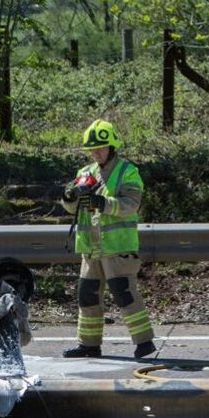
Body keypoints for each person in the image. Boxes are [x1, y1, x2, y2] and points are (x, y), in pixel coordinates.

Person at [59, 119, 156, 360]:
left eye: (100, 148)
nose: (96, 153)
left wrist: (103, 203)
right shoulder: (84, 173)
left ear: (112, 147)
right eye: (92, 149)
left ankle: (144, 343)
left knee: (123, 293)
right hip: (91, 249)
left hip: (118, 248)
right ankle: (89, 345)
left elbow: (131, 204)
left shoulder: (127, 171)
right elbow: (71, 208)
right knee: (87, 295)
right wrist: (69, 196)